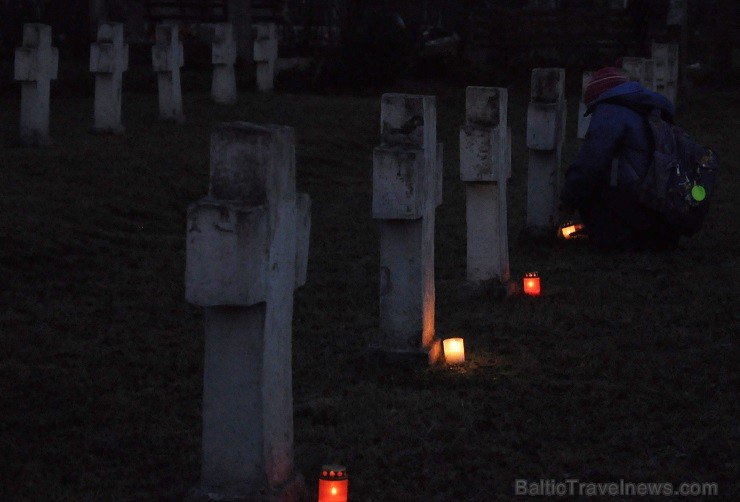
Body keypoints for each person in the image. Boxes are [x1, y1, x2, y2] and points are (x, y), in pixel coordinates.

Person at [560, 66, 681, 252]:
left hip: (632, 197)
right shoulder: (646, 107)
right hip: (659, 198)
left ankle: (615, 239)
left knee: (594, 185)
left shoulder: (610, 110)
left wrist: (569, 198)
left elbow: (590, 164)